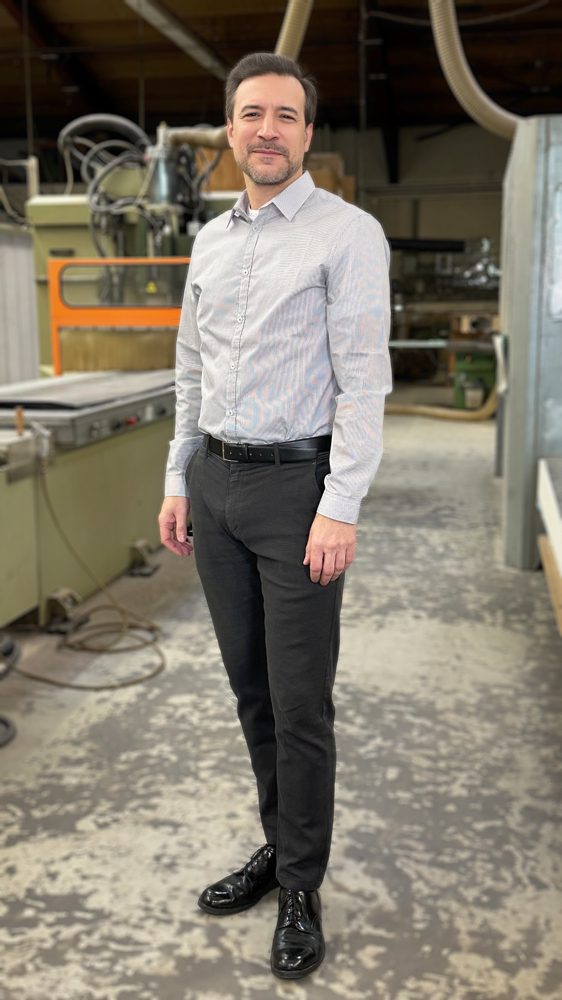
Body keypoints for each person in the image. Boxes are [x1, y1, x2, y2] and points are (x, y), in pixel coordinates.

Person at [158, 51, 392, 981]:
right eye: (251, 113)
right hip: (215, 485)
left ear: (306, 132)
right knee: (252, 691)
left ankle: (300, 884)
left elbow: (364, 382)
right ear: (230, 129)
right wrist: (178, 480)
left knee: (300, 704)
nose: (267, 130)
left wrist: (341, 505)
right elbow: (190, 370)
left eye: (285, 116)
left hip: (299, 493)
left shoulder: (348, 234)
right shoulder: (210, 242)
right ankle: (278, 841)